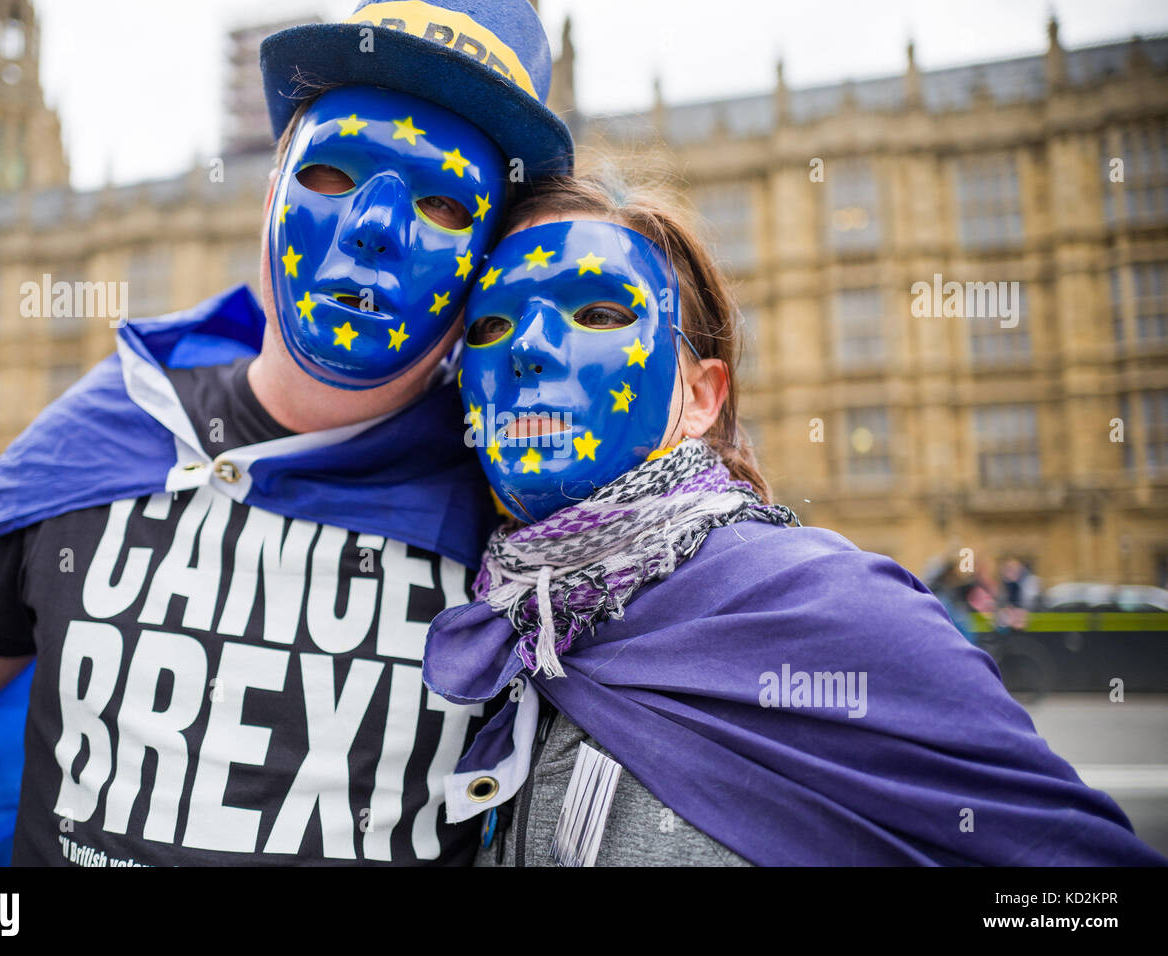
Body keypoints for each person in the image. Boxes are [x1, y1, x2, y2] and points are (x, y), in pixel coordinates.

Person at [0, 0, 573, 866]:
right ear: (272, 181)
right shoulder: (116, 425)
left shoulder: (528, 517)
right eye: (334, 173)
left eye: (443, 203)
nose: (376, 228)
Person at [422, 172, 1167, 866]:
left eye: (601, 313)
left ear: (701, 396)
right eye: (489, 326)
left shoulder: (835, 604)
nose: (529, 350)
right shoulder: (494, 632)